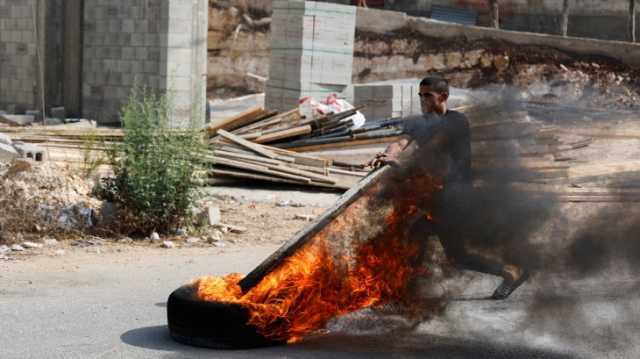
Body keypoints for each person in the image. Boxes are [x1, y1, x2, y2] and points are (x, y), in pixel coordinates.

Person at [369, 76, 529, 300]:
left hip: (456, 197)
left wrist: (402, 164)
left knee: (451, 252)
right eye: (420, 95)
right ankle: (406, 288)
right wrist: (389, 154)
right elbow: (400, 142)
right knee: (426, 238)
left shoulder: (456, 122)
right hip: (433, 194)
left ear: (443, 96)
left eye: (428, 95)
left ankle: (513, 271)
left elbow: (431, 149)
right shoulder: (418, 122)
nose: (423, 100)